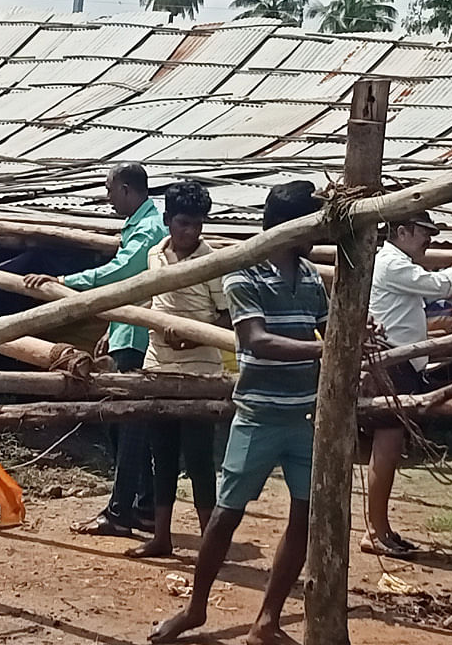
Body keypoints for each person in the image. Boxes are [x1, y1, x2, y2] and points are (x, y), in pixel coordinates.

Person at [150, 180, 328, 645]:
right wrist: (325, 352)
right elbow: (255, 339)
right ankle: (195, 607)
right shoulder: (242, 270)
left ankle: (266, 620)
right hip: (259, 414)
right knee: (226, 514)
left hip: (304, 416)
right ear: (293, 224)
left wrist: (356, 336)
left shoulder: (311, 276)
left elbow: (330, 327)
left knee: (305, 515)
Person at [25, 162, 168, 537]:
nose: (106, 198)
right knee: (124, 425)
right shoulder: (142, 224)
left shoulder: (150, 228)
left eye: (109, 189)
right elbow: (133, 285)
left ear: (125, 189)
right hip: (128, 328)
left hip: (138, 337)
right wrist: (111, 325)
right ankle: (144, 506)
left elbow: (122, 273)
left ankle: (122, 511)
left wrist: (65, 281)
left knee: (127, 423)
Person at [364, 211, 452, 557]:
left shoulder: (396, 262)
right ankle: (376, 529)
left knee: (389, 448)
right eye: (424, 232)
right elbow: (441, 286)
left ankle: (381, 527)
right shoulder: (392, 264)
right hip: (392, 363)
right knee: (386, 448)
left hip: (400, 362)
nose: (428, 239)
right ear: (401, 231)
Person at [129, 181, 231, 559]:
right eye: (183, 223)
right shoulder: (155, 253)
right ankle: (162, 536)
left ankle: (210, 542)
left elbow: (226, 317)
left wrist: (190, 339)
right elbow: (146, 298)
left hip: (200, 370)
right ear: (169, 219)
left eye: (197, 225)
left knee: (200, 457)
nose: (190, 232)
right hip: (158, 366)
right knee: (162, 454)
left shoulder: (213, 262)